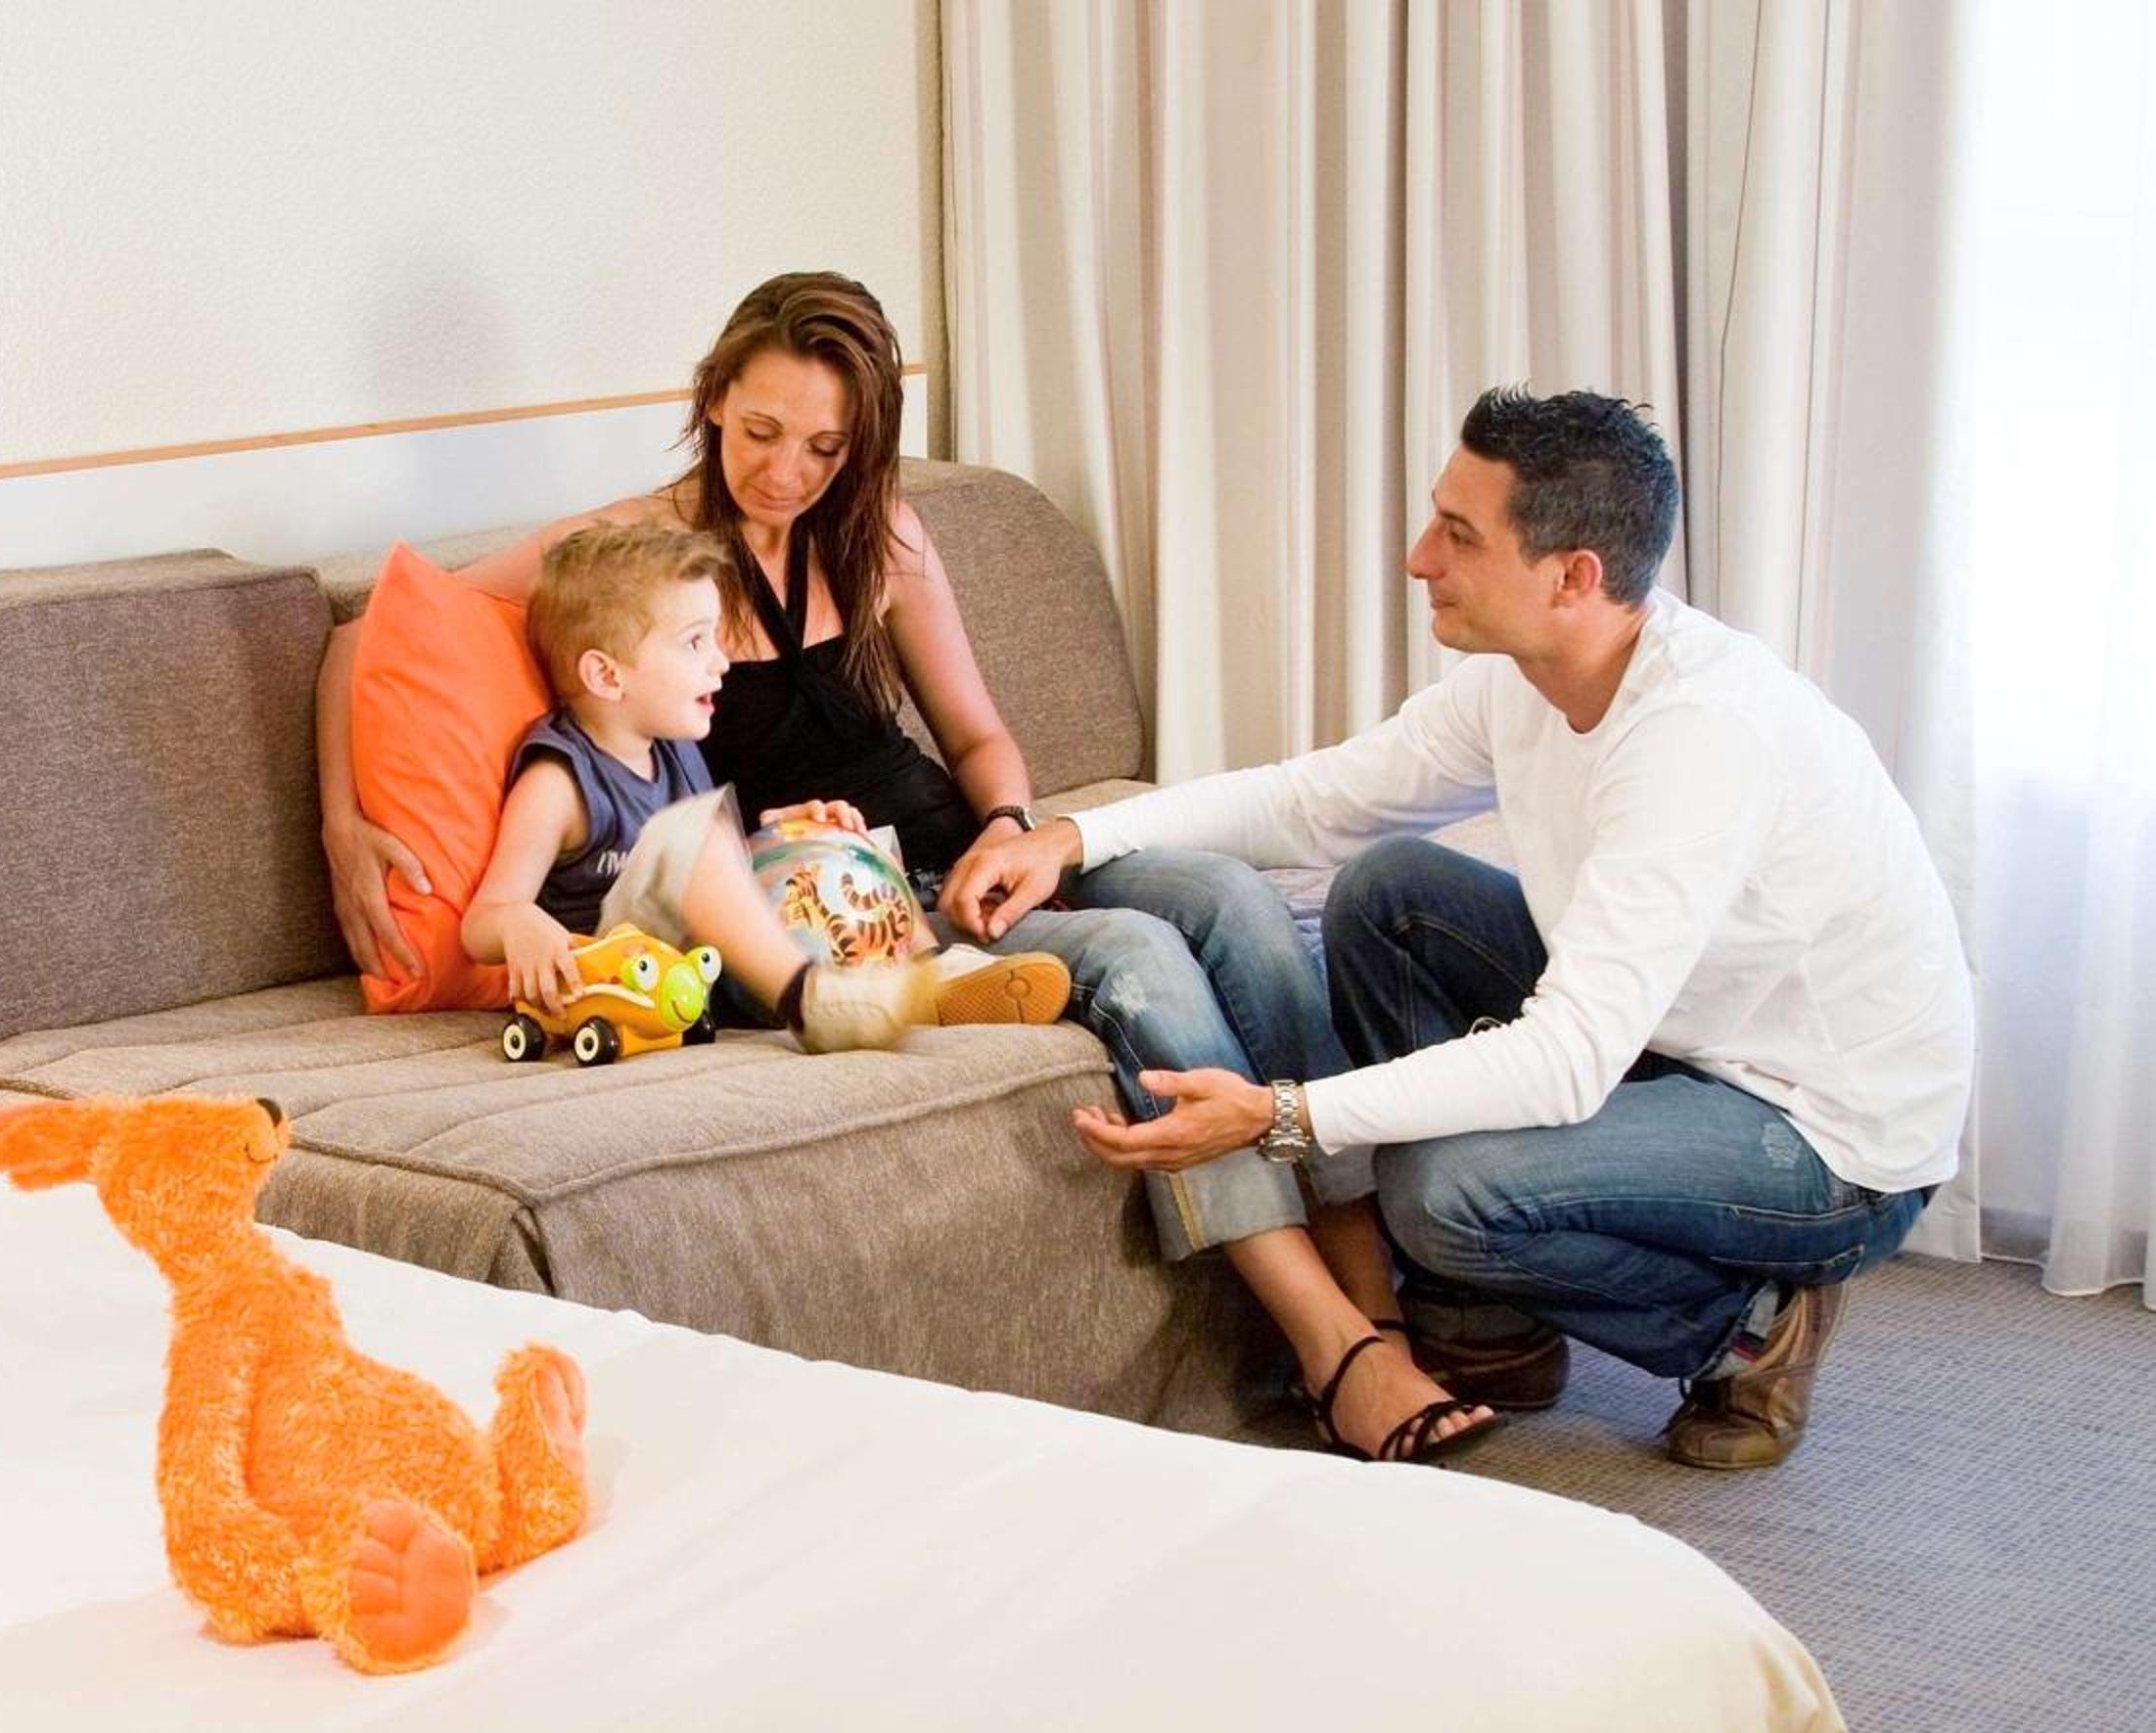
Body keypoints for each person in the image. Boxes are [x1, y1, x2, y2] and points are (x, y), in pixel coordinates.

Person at [319, 271, 1492, 1463]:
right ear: (714, 399)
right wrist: (342, 826)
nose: (787, 473)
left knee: (1235, 900)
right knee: (1138, 958)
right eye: (761, 432)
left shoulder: (880, 536)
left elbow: (979, 740)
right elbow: (371, 631)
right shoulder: (640, 559)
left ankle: (1375, 1302)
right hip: (847, 901)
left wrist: (1009, 827)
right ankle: (1329, 1348)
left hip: (968, 851)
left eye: (825, 448)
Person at [951, 387, 1973, 1470]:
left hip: (1825, 1133)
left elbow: (1569, 1059)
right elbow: (1318, 801)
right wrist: (1070, 836)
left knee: (1443, 1194)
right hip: (1682, 1038)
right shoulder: (1528, 679)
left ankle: (1754, 1330)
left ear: (1572, 576)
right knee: (1389, 893)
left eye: (1458, 534)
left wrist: (1283, 1116)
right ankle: (1493, 1319)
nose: (1418, 558)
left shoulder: (1698, 737)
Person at [462, 522, 940, 1052]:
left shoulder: (674, 750)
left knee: (834, 837)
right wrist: (518, 924)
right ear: (607, 676)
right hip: (625, 983)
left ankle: (937, 975)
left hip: (703, 967)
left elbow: (712, 889)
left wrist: (783, 835)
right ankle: (812, 1004)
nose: (722, 661)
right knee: (689, 836)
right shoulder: (558, 783)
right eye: (695, 641)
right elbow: (482, 920)